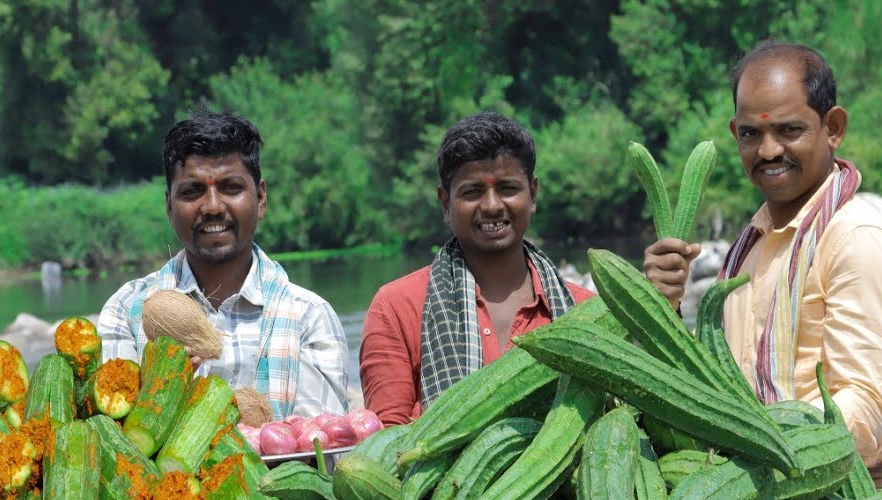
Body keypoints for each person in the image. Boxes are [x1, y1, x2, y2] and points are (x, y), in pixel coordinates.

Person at [643, 40, 882, 500]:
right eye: (751, 134)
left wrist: (753, 460)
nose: (768, 150)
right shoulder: (749, 249)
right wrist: (661, 308)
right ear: (735, 134)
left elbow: (862, 410)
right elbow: (719, 385)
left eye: (789, 131)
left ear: (833, 127)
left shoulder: (860, 242)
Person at [98, 111, 350, 418]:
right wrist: (157, 393)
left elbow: (320, 444)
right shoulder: (126, 310)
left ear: (260, 198)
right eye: (193, 191)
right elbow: (113, 435)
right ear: (169, 206)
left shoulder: (310, 318)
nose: (213, 207)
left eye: (231, 188)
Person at [360, 111, 594, 426]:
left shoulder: (582, 312)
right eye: (472, 192)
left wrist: (665, 302)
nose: (493, 205)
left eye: (508, 188)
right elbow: (384, 442)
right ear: (445, 203)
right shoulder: (397, 308)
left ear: (533, 194)